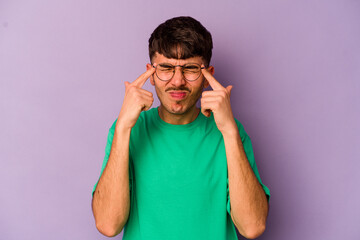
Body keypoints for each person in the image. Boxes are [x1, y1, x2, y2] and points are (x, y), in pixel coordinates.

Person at [91, 16, 270, 240]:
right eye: (166, 68)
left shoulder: (230, 132)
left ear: (208, 76)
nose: (177, 81)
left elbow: (252, 227)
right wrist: (123, 127)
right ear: (151, 73)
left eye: (191, 69)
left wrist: (229, 130)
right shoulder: (129, 129)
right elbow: (108, 225)